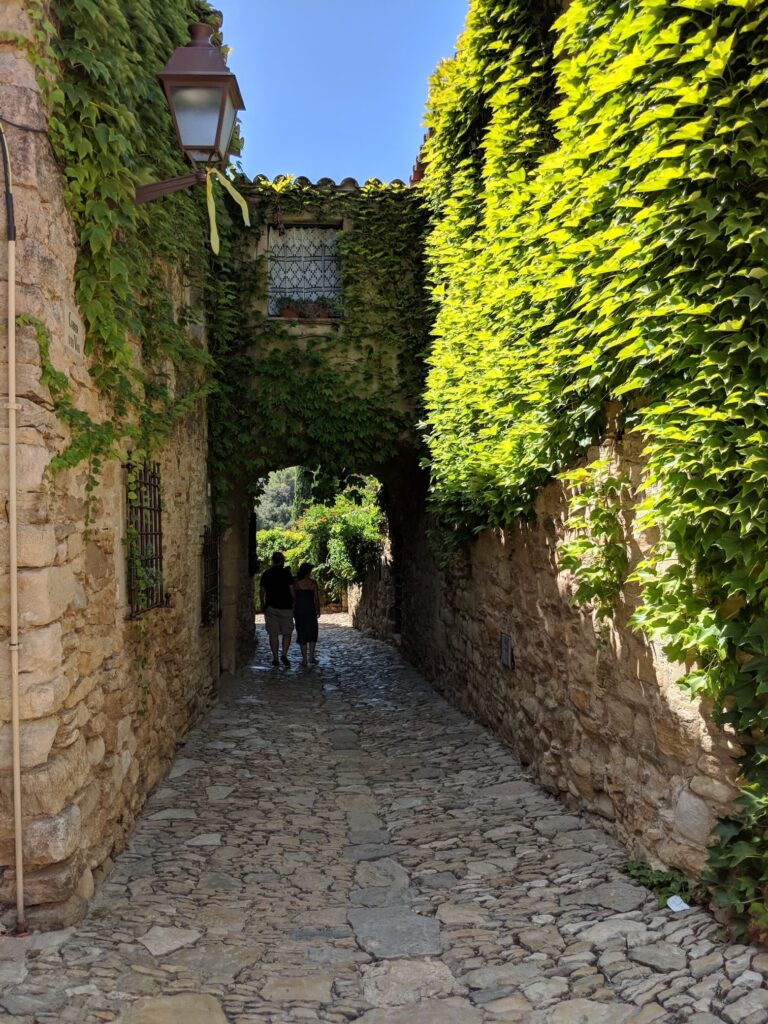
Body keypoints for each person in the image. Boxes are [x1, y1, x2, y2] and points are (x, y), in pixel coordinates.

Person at [259, 551, 295, 666]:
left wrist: (263, 603)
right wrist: (294, 602)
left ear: (273, 561)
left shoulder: (266, 573)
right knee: (287, 633)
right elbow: (291, 589)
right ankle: (284, 654)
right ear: (282, 561)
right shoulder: (286, 573)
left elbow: (262, 591)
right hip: (286, 607)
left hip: (271, 607)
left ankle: (275, 658)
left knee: (273, 634)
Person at [293, 562, 320, 667]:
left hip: (299, 610)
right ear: (308, 571)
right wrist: (318, 610)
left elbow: (294, 598)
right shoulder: (313, 583)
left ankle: (304, 659)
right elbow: (316, 599)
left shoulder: (296, 583)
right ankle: (311, 657)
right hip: (310, 610)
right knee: (313, 632)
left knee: (302, 632)